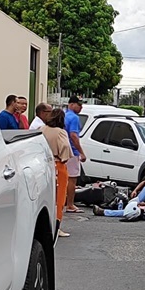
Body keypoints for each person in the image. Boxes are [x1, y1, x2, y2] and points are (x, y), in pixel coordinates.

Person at [41, 109, 74, 237]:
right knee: (59, 198)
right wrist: (64, 157)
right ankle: (57, 226)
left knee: (46, 197)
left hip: (45, 164)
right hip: (58, 164)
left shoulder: (42, 129)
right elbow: (65, 146)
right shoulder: (60, 132)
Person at [64, 96, 87, 213]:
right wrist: (81, 152)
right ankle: (70, 205)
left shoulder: (64, 115)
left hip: (62, 150)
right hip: (72, 151)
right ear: (72, 104)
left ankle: (61, 202)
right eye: (79, 105)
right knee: (72, 179)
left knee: (62, 178)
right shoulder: (74, 118)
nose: (81, 107)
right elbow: (73, 135)